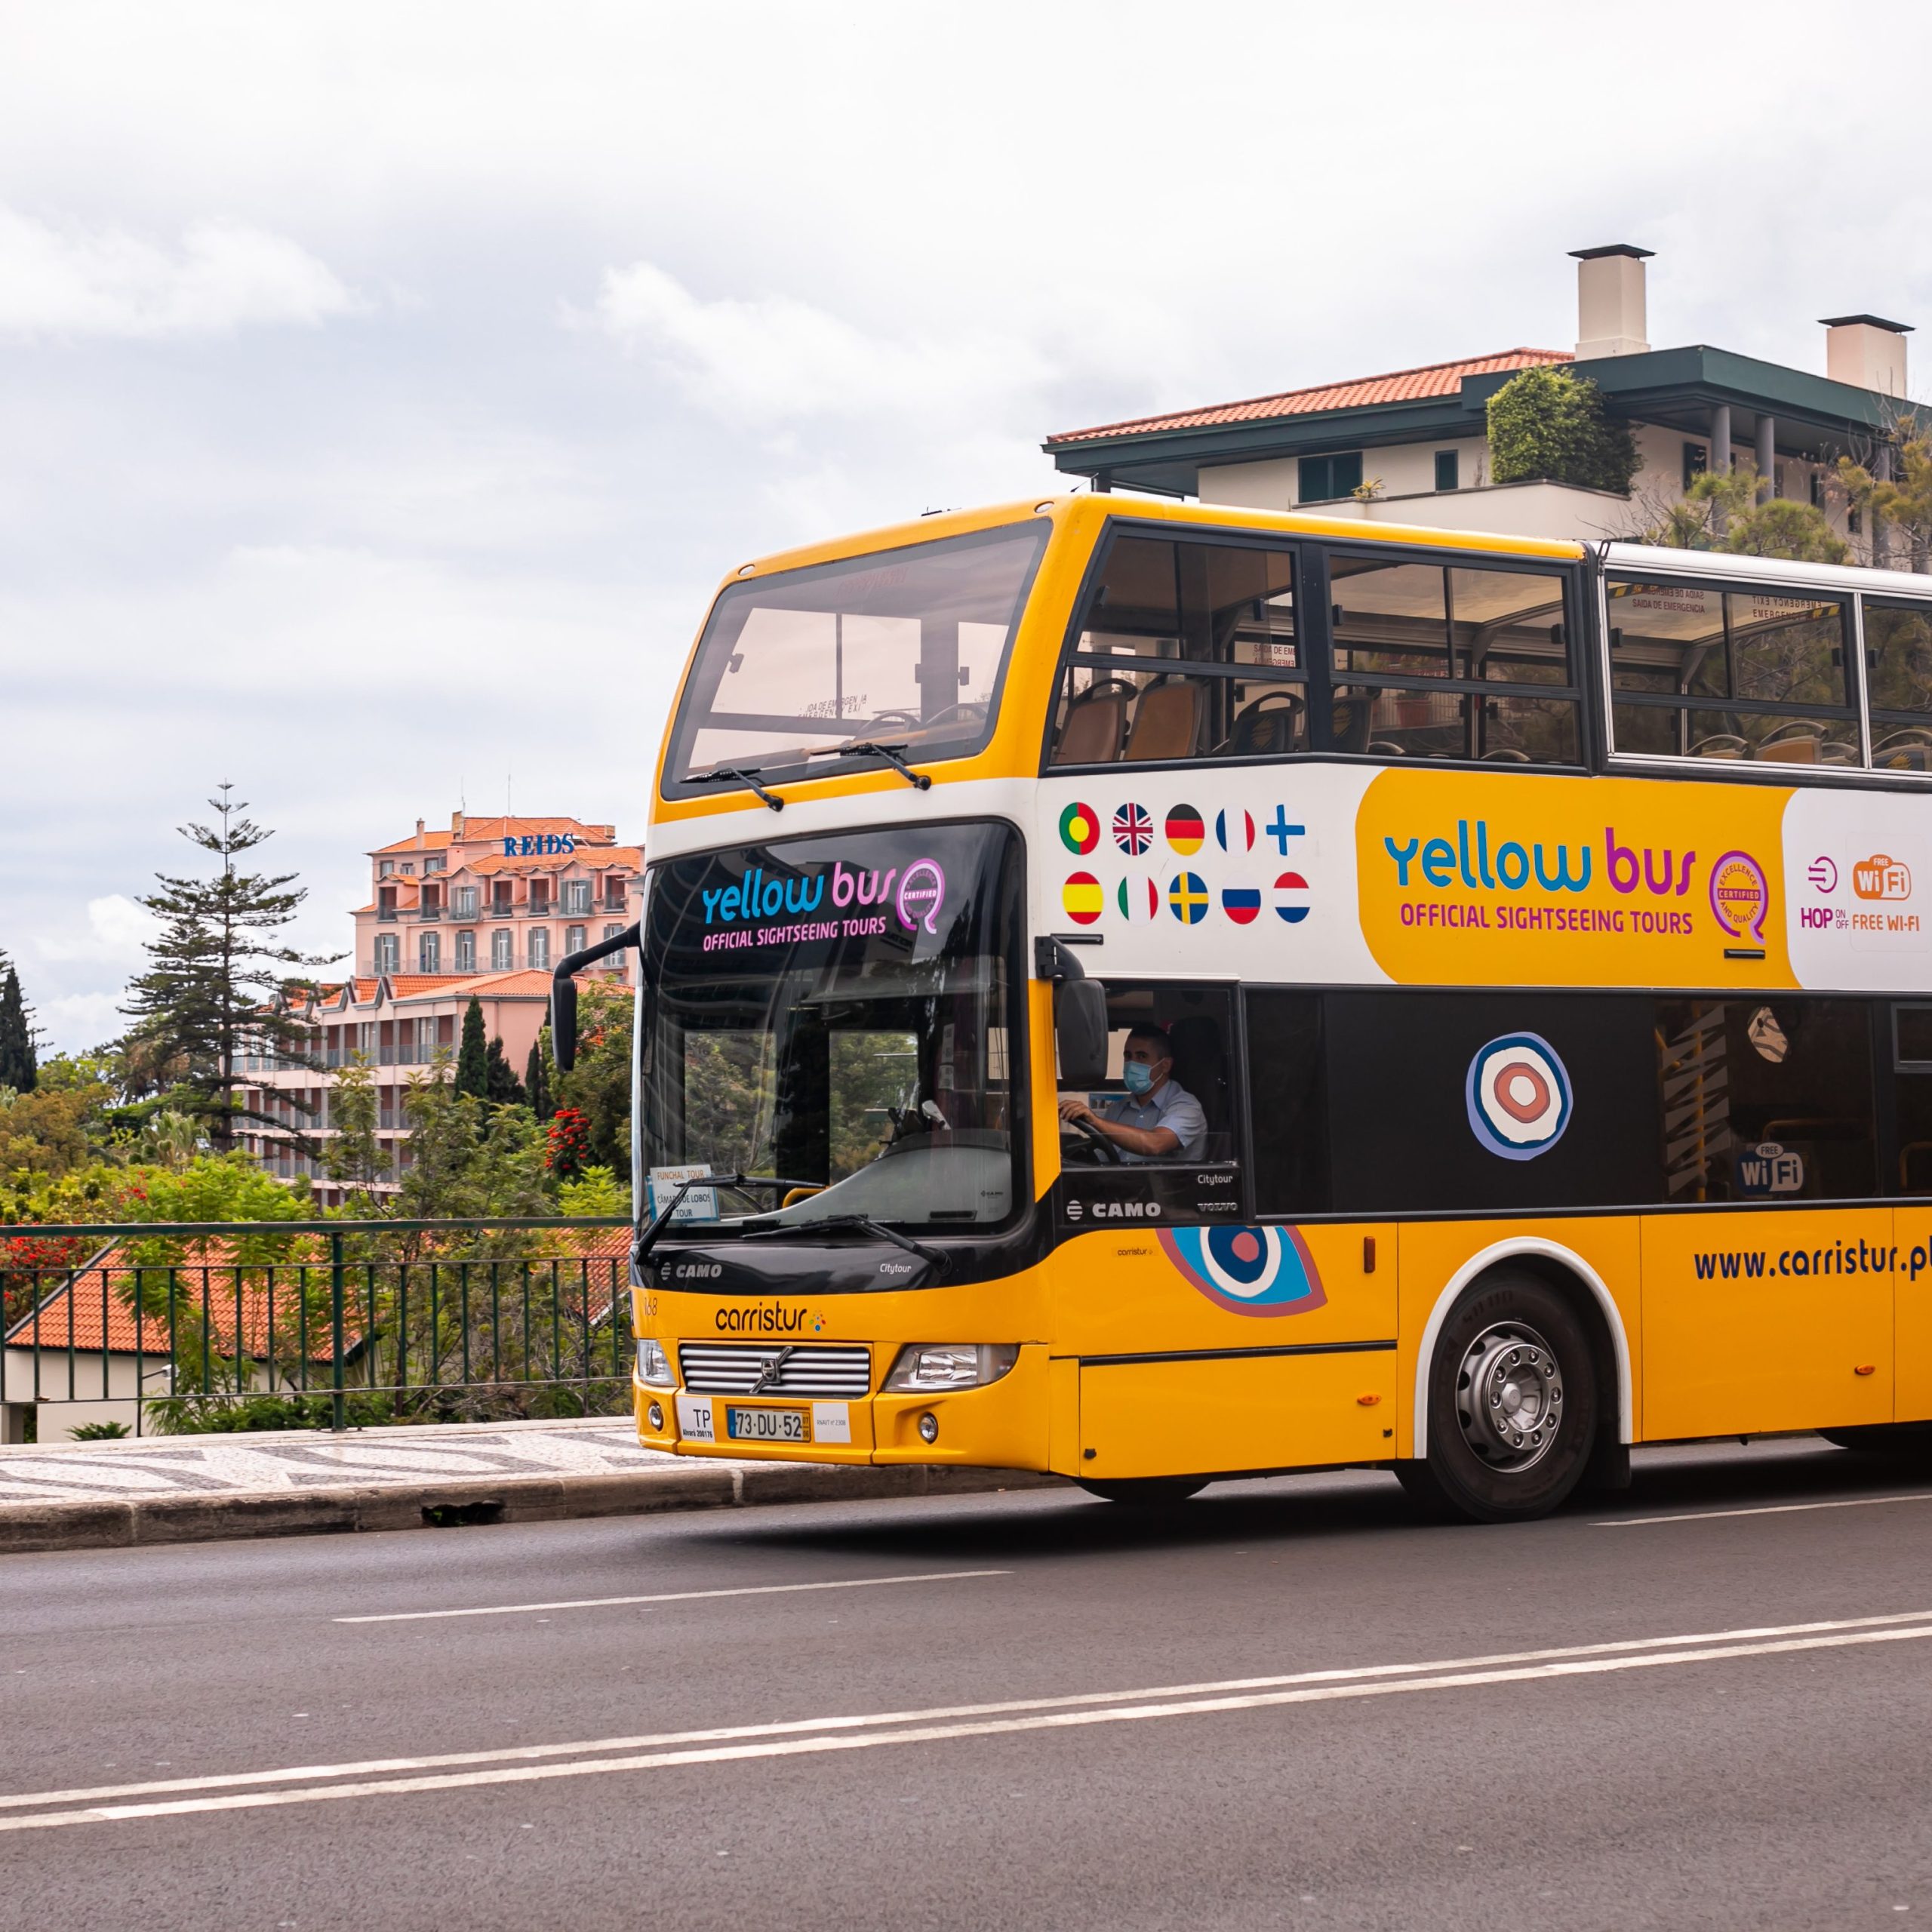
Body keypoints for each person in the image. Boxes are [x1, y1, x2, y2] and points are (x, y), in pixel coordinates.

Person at [1058, 1024, 1207, 1161]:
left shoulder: (1187, 1107)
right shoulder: (1118, 1109)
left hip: (1167, 1189)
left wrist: (1095, 1120)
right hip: (1119, 1187)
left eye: (1141, 1056)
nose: (1132, 1063)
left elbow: (1155, 1144)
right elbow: (1102, 1157)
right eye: (1128, 1056)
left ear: (1165, 1065)